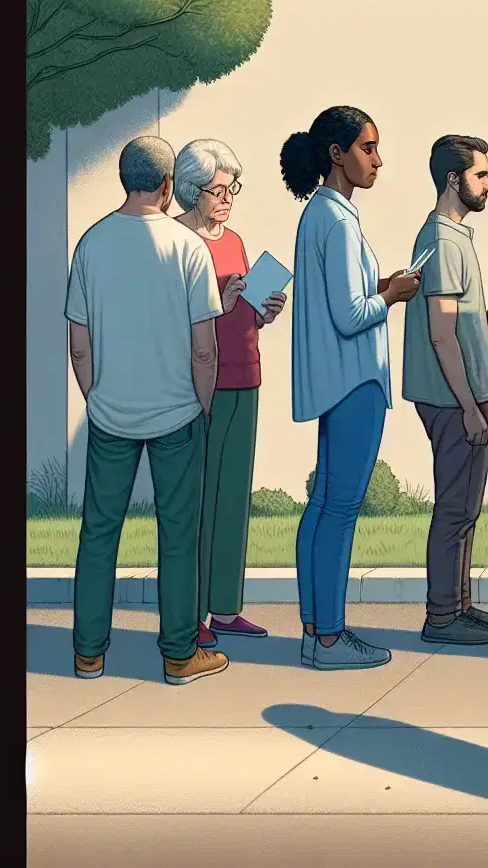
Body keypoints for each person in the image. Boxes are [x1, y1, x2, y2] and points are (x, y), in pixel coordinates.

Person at [64, 136, 229, 686]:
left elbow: (79, 345)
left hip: (111, 414)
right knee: (178, 534)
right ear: (167, 186)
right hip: (177, 413)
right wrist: (201, 405)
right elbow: (204, 347)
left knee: (98, 533)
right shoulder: (188, 249)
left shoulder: (91, 244)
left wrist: (98, 396)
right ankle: (179, 654)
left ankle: (89, 652)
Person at [283, 106, 421, 671]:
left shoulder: (322, 214)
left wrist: (381, 284)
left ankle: (317, 629)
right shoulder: (337, 221)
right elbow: (350, 314)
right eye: (367, 148)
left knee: (322, 505)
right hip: (355, 379)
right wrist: (393, 296)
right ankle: (332, 640)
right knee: (340, 508)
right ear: (337, 154)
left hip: (335, 379)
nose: (378, 160)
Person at [173, 139, 287, 650]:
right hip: (200, 381)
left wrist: (262, 310)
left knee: (234, 496)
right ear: (191, 191)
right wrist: (219, 303)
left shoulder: (235, 239)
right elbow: (171, 319)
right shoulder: (174, 241)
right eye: (217, 191)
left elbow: (241, 308)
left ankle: (225, 608)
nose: (226, 199)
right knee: (198, 498)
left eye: (231, 189)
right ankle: (191, 612)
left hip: (247, 373)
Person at [402, 134, 488, 646]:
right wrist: (468, 406)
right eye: (481, 175)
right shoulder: (442, 240)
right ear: (453, 180)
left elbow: (461, 323)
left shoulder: (455, 236)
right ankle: (442, 615)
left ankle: (460, 605)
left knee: (466, 507)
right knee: (454, 507)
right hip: (453, 397)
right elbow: (441, 333)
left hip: (465, 391)